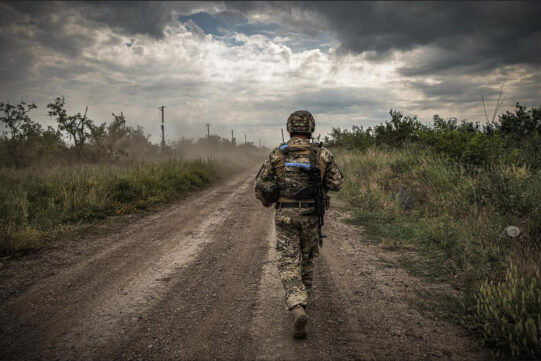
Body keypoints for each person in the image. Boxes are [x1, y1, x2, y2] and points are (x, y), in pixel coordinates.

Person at [254, 110, 344, 338]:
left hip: (285, 215)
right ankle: (304, 302)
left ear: (289, 128)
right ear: (311, 129)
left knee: (287, 261)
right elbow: (336, 183)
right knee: (307, 259)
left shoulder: (278, 154)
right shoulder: (322, 154)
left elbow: (260, 185)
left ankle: (297, 306)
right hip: (312, 216)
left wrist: (268, 198)